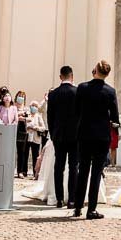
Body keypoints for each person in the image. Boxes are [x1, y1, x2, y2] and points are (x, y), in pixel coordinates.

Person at [72, 60, 119, 219]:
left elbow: (76, 110)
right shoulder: (110, 91)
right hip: (101, 136)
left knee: (83, 170)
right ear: (107, 73)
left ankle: (77, 207)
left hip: (84, 134)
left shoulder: (82, 88)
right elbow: (114, 116)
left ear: (95, 70)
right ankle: (91, 209)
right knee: (96, 173)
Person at [48, 66, 80, 208]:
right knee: (73, 167)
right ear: (72, 76)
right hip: (75, 136)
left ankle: (59, 198)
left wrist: (52, 133)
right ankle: (72, 199)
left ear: (60, 77)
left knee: (58, 166)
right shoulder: (77, 92)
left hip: (58, 135)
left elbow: (50, 117)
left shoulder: (53, 94)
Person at [25, 100, 46, 178]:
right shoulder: (27, 114)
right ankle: (24, 172)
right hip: (27, 138)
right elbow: (24, 124)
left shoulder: (39, 116)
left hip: (36, 138)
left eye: (35, 106)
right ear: (30, 107)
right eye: (32, 105)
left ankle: (35, 173)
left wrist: (36, 127)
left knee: (35, 156)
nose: (34, 107)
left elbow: (43, 128)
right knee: (25, 154)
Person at [13, 90, 29, 178]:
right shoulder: (13, 107)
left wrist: (19, 117)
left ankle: (20, 171)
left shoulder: (26, 108)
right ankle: (11, 169)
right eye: (19, 96)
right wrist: (20, 116)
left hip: (23, 131)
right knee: (11, 152)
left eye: (22, 96)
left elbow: (29, 118)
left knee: (21, 152)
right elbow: (12, 116)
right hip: (14, 129)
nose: (21, 98)